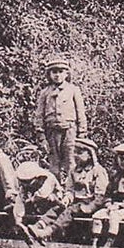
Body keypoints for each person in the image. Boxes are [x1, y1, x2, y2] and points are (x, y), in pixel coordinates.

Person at [33, 56, 88, 186]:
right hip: (51, 132)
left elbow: (81, 112)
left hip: (70, 131)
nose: (57, 75)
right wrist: (41, 135)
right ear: (49, 74)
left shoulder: (73, 90)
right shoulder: (45, 93)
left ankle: (73, 190)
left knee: (71, 161)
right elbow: (39, 115)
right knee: (54, 163)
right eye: (54, 72)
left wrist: (82, 133)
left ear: (66, 73)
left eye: (60, 71)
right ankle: (56, 191)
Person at [49, 137, 109, 239]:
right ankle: (39, 227)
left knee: (71, 210)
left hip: (91, 205)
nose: (76, 155)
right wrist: (66, 199)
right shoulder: (74, 171)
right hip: (76, 204)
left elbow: (101, 195)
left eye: (80, 152)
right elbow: (70, 190)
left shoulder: (98, 171)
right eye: (75, 152)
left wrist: (89, 207)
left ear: (90, 155)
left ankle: (50, 231)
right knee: (57, 208)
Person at [13, 161, 67, 244]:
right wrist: (18, 220)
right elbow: (20, 199)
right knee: (13, 207)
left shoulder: (49, 178)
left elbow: (42, 195)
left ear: (37, 177)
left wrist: (28, 200)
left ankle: (39, 229)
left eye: (27, 182)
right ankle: (28, 232)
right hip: (37, 206)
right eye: (22, 181)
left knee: (54, 204)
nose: (25, 185)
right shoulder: (25, 186)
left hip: (54, 204)